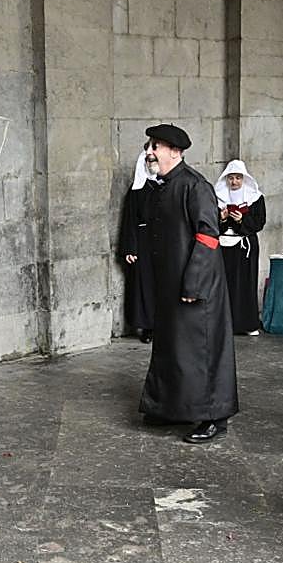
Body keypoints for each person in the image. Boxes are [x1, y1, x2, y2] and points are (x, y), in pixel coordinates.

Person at [137, 124, 238, 443]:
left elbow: (208, 237)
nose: (150, 151)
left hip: (197, 286)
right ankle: (169, 408)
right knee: (172, 349)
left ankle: (213, 416)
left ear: (176, 152)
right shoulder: (164, 185)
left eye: (156, 146)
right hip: (171, 284)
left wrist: (193, 284)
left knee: (201, 351)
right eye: (150, 145)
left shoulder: (195, 186)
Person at [214, 160, 266, 335]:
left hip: (244, 247)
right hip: (223, 246)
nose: (234, 182)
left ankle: (246, 324)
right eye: (231, 178)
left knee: (245, 285)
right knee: (224, 285)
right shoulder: (218, 197)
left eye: (237, 178)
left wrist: (240, 221)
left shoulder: (255, 198)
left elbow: (259, 222)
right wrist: (221, 219)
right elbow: (210, 222)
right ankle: (223, 324)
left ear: (244, 179)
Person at [118, 146, 159, 343]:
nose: (152, 165)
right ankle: (148, 327)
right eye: (149, 162)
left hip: (165, 243)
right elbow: (129, 220)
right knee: (145, 286)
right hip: (143, 243)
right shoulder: (136, 191)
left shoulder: (167, 186)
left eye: (155, 161)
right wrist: (130, 247)